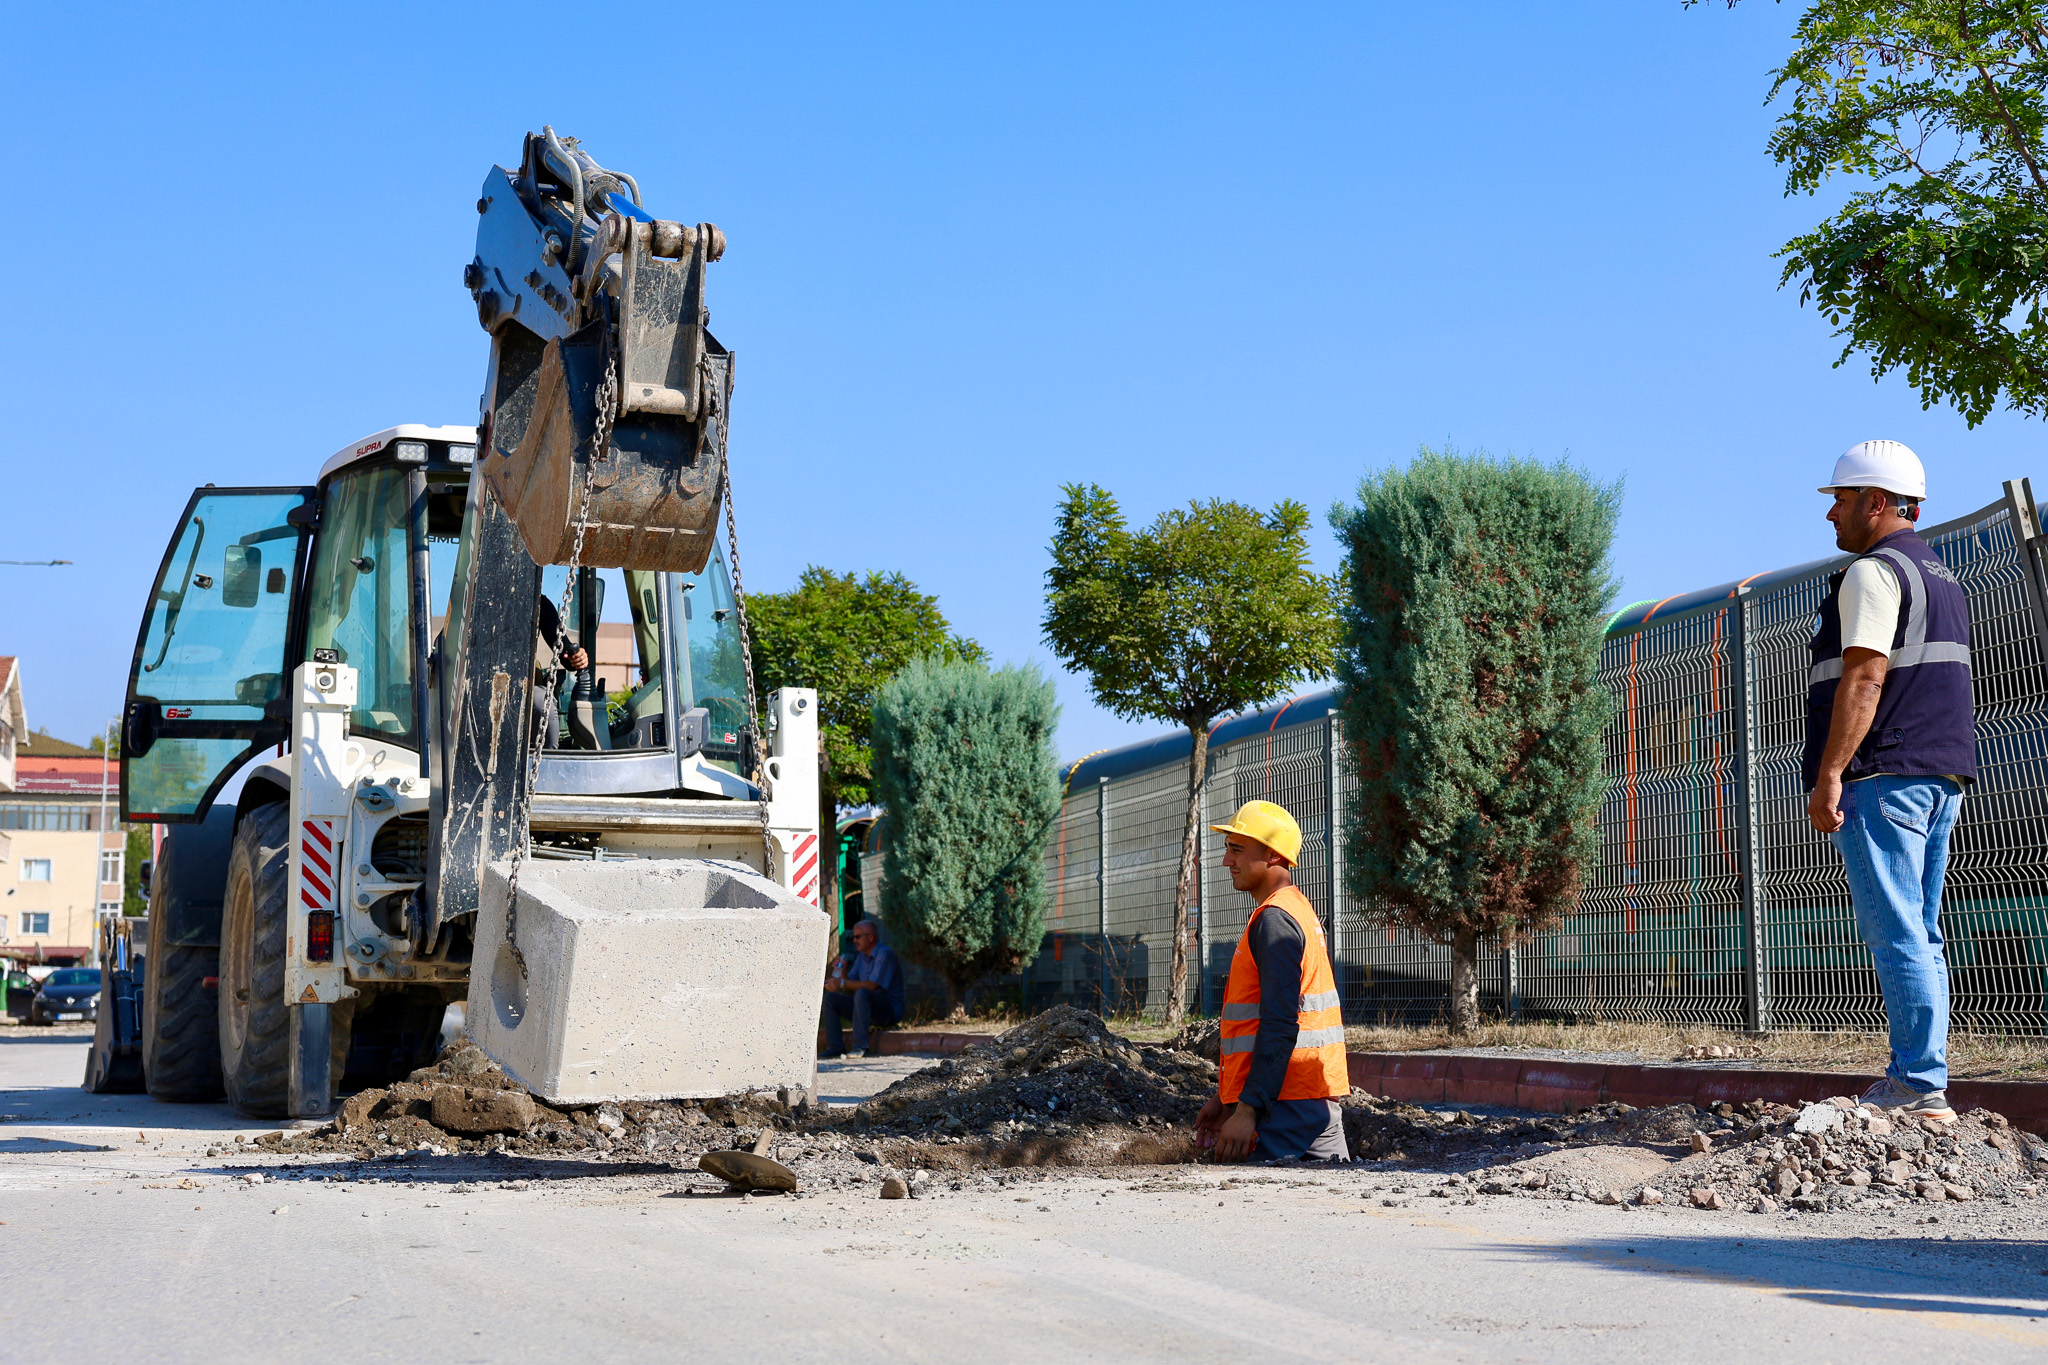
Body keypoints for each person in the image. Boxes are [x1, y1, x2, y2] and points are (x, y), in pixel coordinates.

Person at [1805, 440, 1975, 1122]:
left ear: (1877, 503)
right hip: (1942, 773)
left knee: (1896, 931)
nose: (1832, 516)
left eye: (1840, 501)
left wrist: (1831, 774)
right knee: (1921, 930)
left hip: (1885, 775)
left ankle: (1916, 1083)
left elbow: (1867, 675)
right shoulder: (1944, 578)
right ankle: (1924, 1081)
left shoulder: (1873, 574)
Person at [1193, 800, 1350, 1162]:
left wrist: (1247, 1111)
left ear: (1274, 856)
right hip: (1310, 1100)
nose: (1226, 861)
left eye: (1237, 850)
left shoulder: (1275, 921)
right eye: (1227, 849)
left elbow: (1280, 1022)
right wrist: (1225, 1098)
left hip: (1283, 1108)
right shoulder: (1297, 909)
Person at [822, 918, 907, 1058]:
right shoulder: (862, 957)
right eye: (853, 937)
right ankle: (835, 1047)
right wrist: (842, 973)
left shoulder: (884, 954)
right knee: (830, 999)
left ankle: (860, 1046)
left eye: (857, 937)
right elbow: (849, 985)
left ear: (871, 937)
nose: (854, 940)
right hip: (866, 1009)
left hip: (889, 1011)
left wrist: (842, 983)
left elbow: (872, 986)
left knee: (862, 993)